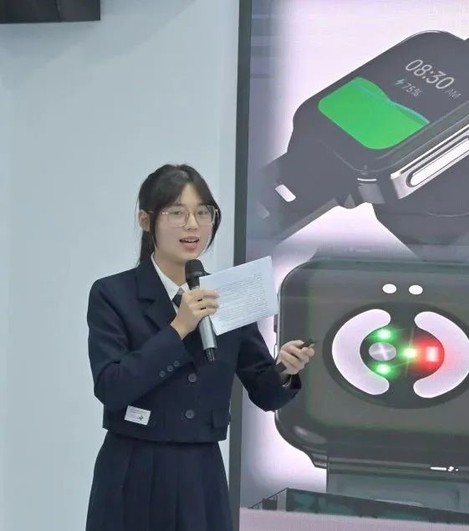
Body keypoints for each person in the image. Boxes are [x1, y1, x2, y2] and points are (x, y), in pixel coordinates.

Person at [84, 164, 314, 531]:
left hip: (201, 470)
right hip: (134, 465)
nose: (193, 225)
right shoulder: (113, 294)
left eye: (203, 213)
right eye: (177, 213)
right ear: (146, 220)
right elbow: (112, 387)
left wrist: (285, 368)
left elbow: (264, 392)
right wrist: (179, 328)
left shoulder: (228, 293)